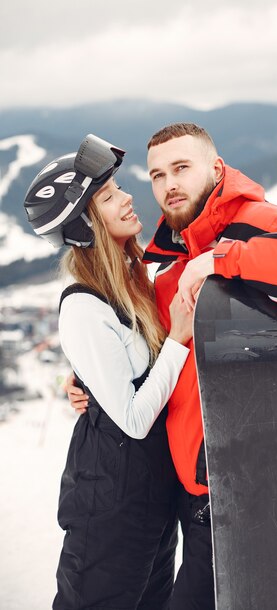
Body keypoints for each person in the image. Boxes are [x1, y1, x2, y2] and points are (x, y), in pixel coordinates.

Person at [68, 123, 277, 610]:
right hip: (191, 494)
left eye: (182, 168)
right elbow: (160, 356)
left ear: (216, 168)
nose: (169, 184)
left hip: (255, 488)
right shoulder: (168, 267)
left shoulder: (262, 224)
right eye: (157, 174)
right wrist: (90, 380)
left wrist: (222, 260)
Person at [24, 134, 193, 610]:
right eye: (109, 196)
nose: (127, 198)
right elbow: (135, 419)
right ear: (84, 223)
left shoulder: (131, 280)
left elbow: (121, 367)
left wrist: (89, 383)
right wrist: (178, 338)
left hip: (151, 501)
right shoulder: (83, 304)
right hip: (111, 508)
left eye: (118, 189)